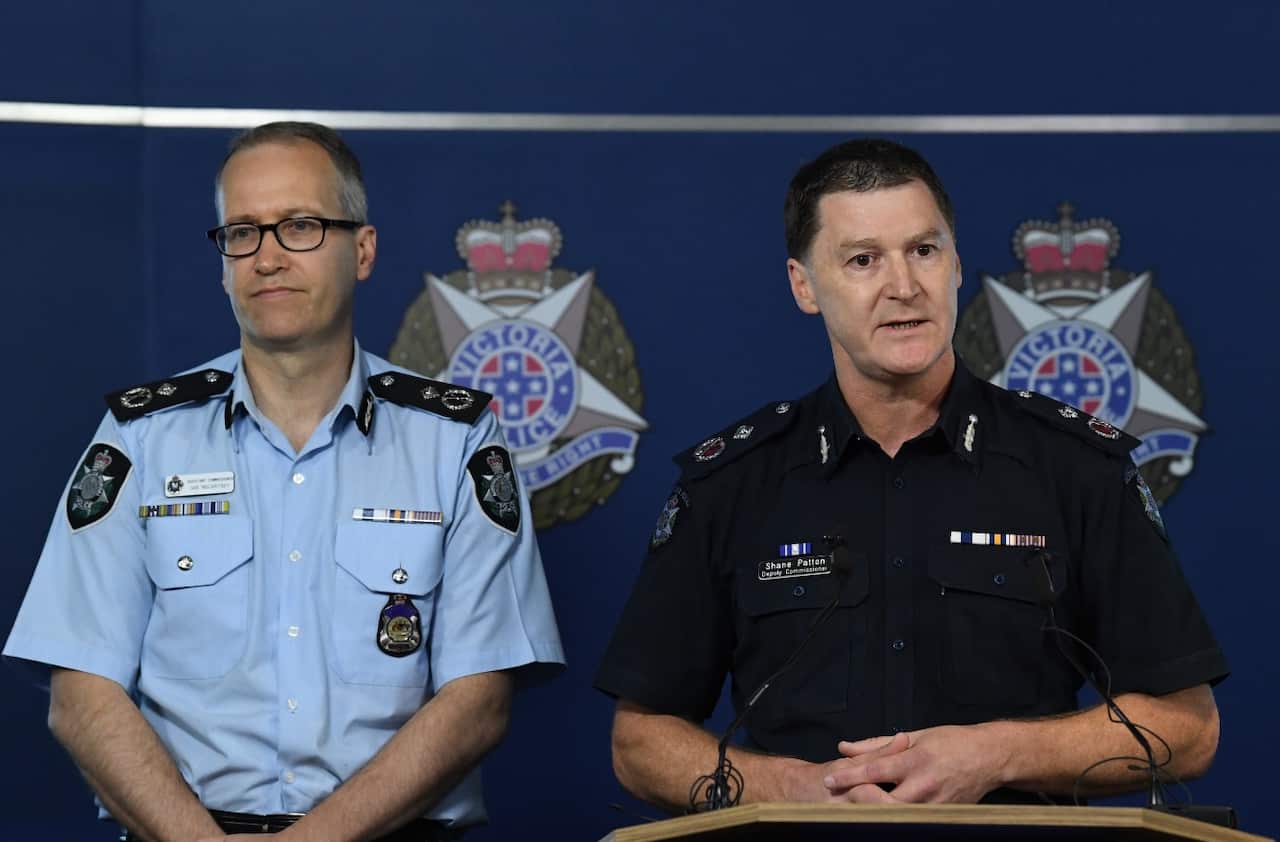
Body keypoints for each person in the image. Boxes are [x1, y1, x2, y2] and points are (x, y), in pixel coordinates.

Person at [593, 138, 1226, 812]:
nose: (904, 285)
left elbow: (1188, 729)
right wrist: (794, 790)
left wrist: (999, 753)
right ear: (803, 285)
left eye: (923, 251)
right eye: (863, 260)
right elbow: (639, 741)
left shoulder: (1074, 468)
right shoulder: (733, 483)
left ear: (955, 265)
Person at [4, 122, 564, 841]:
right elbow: (79, 693)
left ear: (361, 250)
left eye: (299, 226)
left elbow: (480, 697)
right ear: (223, 261)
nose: (267, 257)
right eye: (242, 232)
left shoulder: (454, 441)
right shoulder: (140, 437)